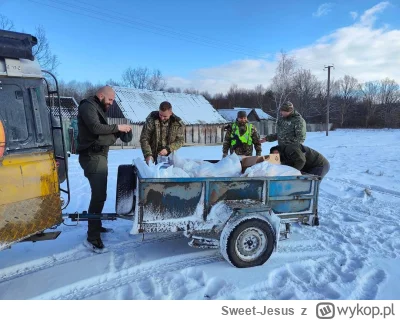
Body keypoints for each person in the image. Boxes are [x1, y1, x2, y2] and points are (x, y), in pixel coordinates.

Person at [77, 86, 132, 252]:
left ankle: (96, 226)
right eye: (110, 99)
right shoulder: (88, 106)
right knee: (99, 195)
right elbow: (95, 128)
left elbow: (101, 133)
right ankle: (92, 237)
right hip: (92, 157)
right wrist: (118, 128)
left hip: (99, 156)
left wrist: (118, 133)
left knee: (100, 195)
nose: (111, 102)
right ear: (101, 95)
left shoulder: (98, 107)